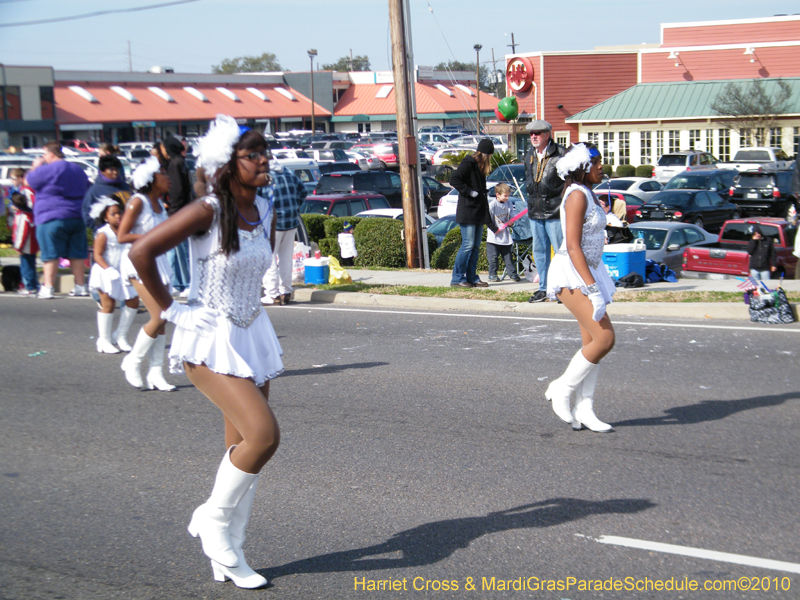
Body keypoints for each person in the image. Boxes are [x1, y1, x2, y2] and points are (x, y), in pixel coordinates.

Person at [128, 115, 281, 589]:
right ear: (227, 165)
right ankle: (213, 523)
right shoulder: (208, 210)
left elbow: (259, 270)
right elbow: (141, 253)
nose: (262, 160)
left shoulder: (266, 207)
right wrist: (173, 311)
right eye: (251, 155)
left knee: (242, 451)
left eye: (263, 152)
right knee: (264, 436)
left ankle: (228, 551)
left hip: (252, 333)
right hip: (210, 338)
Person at [544, 143, 616, 433]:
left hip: (589, 271)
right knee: (605, 338)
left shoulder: (588, 194)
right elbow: (573, 246)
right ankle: (562, 388)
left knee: (591, 345)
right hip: (573, 274)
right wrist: (593, 288)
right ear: (583, 166)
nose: (601, 167)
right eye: (597, 163)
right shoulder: (576, 195)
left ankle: (584, 407)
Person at [117, 156, 174, 391]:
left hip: (158, 262)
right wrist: (152, 238)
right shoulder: (137, 202)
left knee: (164, 319)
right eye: (163, 173)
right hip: (138, 262)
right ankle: (133, 360)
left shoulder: (161, 205)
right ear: (151, 178)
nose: (168, 178)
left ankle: (156, 373)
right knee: (159, 315)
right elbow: (122, 235)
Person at [25, 141, 90, 299]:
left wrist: (36, 166)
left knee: (50, 254)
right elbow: (88, 187)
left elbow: (28, 181)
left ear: (51, 154)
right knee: (77, 254)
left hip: (51, 216)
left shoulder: (48, 169)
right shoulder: (77, 169)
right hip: (76, 216)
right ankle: (80, 286)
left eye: (44, 154)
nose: (43, 157)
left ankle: (48, 288)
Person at [88, 196, 140, 353]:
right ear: (105, 217)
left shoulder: (127, 231)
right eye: (113, 214)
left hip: (123, 272)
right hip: (105, 272)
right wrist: (108, 269)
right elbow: (97, 255)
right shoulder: (104, 233)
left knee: (133, 301)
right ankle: (103, 340)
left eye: (120, 213)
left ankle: (120, 335)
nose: (118, 216)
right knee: (108, 305)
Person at [524, 120, 567, 303]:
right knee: (539, 251)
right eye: (531, 133)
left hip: (555, 210)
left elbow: (568, 182)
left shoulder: (561, 154)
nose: (534, 136)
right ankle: (544, 288)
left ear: (548, 134)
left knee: (560, 251)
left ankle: (562, 288)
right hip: (535, 210)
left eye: (538, 133)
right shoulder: (530, 155)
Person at [449, 138, 496, 288]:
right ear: (485, 154)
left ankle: (472, 277)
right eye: (490, 155)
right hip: (468, 210)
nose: (490, 159)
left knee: (475, 246)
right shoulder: (468, 163)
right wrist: (469, 192)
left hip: (478, 211)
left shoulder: (480, 168)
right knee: (468, 245)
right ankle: (457, 278)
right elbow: (454, 179)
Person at [261, 159, 307, 304]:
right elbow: (303, 191)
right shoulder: (288, 172)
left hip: (272, 222)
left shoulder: (264, 176)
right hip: (291, 221)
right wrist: (294, 207)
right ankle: (285, 292)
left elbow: (258, 199)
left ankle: (272, 294)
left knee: (269, 259)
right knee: (286, 259)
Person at [163, 134, 193, 294]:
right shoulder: (181, 163)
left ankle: (188, 283)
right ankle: (180, 283)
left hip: (178, 212)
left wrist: (172, 209)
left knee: (183, 251)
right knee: (178, 250)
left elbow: (177, 190)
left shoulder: (175, 164)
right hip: (184, 209)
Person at [82, 154, 132, 229]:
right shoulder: (94, 190)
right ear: (102, 171)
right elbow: (87, 215)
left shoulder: (125, 186)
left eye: (116, 169)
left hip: (126, 231)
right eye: (111, 169)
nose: (115, 172)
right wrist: (101, 229)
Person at [486, 183, 519, 282]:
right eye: (505, 195)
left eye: (508, 195)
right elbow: (488, 219)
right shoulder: (492, 205)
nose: (507, 198)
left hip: (505, 237)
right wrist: (494, 229)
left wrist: (511, 222)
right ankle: (492, 274)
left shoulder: (508, 203)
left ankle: (512, 274)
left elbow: (512, 216)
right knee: (493, 258)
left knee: (508, 257)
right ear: (498, 194)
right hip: (493, 238)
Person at [10, 192, 40, 296]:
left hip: (26, 247)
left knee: (26, 268)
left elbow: (21, 233)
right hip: (32, 246)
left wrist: (18, 247)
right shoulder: (30, 214)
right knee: (31, 266)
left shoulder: (22, 216)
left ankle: (29, 287)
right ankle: (34, 285)